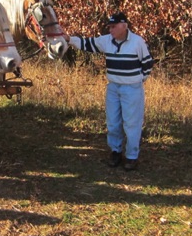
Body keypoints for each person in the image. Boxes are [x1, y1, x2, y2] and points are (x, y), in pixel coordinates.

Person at [64, 12, 153, 171]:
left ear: (124, 26)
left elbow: (147, 64)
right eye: (109, 27)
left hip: (131, 89)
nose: (111, 30)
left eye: (113, 26)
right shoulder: (106, 40)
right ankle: (115, 152)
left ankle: (132, 157)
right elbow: (87, 43)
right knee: (113, 122)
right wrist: (69, 39)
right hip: (113, 87)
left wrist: (137, 80)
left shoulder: (137, 42)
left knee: (132, 123)